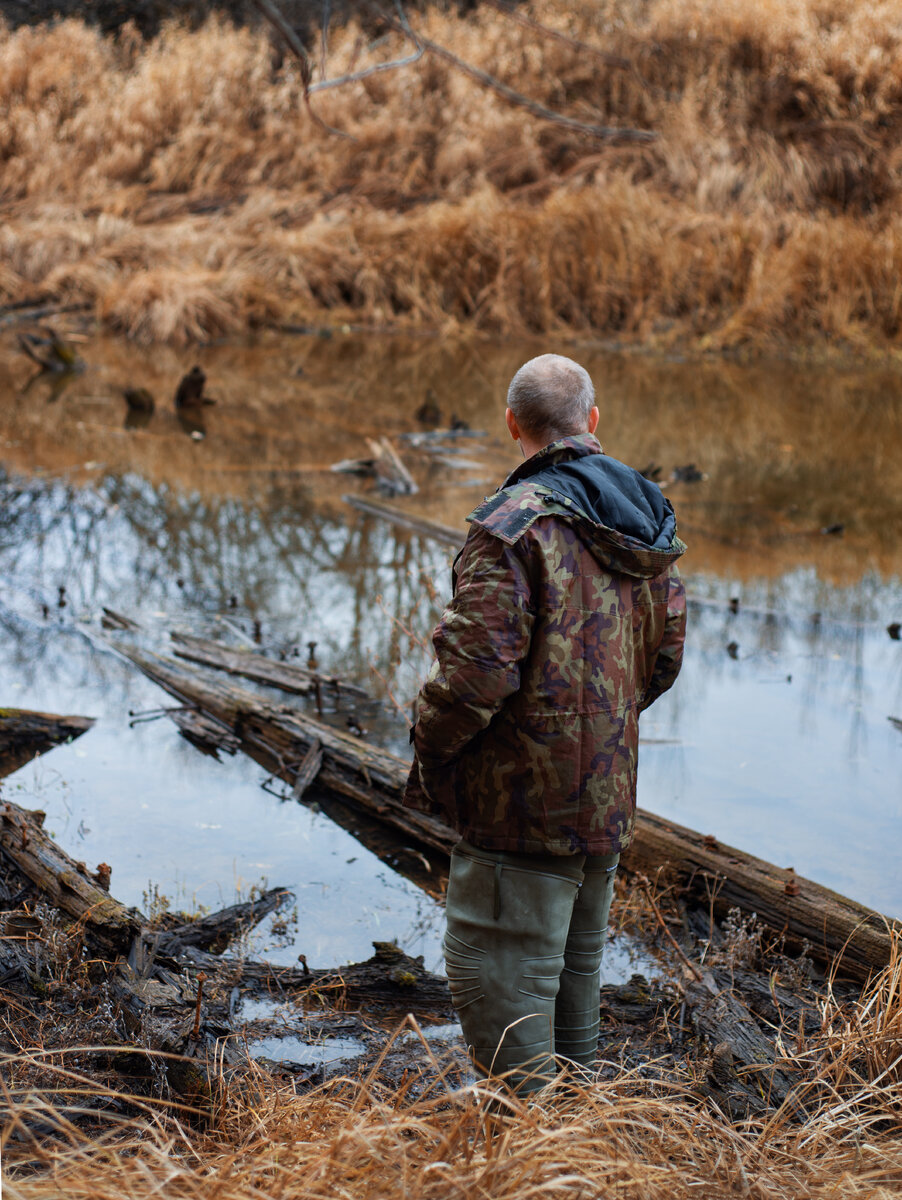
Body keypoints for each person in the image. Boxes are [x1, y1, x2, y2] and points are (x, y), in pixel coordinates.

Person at [404, 353, 687, 1095]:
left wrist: (431, 759)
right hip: (604, 802)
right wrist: (597, 740)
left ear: (511, 426)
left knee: (496, 981)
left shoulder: (511, 529)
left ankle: (539, 1158)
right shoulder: (648, 519)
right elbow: (662, 662)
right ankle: (574, 1148)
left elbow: (473, 679)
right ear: (592, 421)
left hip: (519, 811)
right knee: (572, 982)